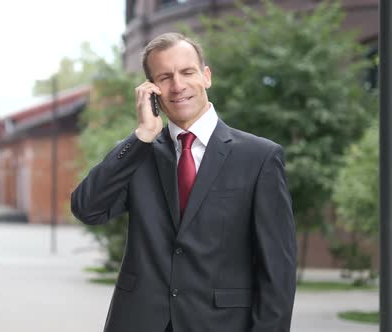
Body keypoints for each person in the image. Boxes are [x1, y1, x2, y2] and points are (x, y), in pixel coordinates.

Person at [71, 32, 296, 332]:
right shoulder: (139, 153)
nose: (177, 86)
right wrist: (141, 135)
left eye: (187, 72)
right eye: (164, 77)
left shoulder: (259, 157)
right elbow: (87, 209)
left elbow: (277, 272)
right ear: (150, 90)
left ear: (206, 76)